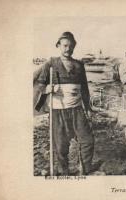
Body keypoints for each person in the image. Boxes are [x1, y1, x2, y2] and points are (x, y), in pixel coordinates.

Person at [35, 32, 94, 175]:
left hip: (77, 109)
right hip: (57, 110)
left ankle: (84, 170)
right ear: (58, 46)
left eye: (71, 45)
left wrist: (88, 107)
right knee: (60, 146)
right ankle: (65, 172)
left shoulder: (79, 65)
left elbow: (84, 89)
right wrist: (46, 89)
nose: (68, 48)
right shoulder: (51, 63)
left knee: (87, 141)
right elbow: (40, 84)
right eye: (65, 45)